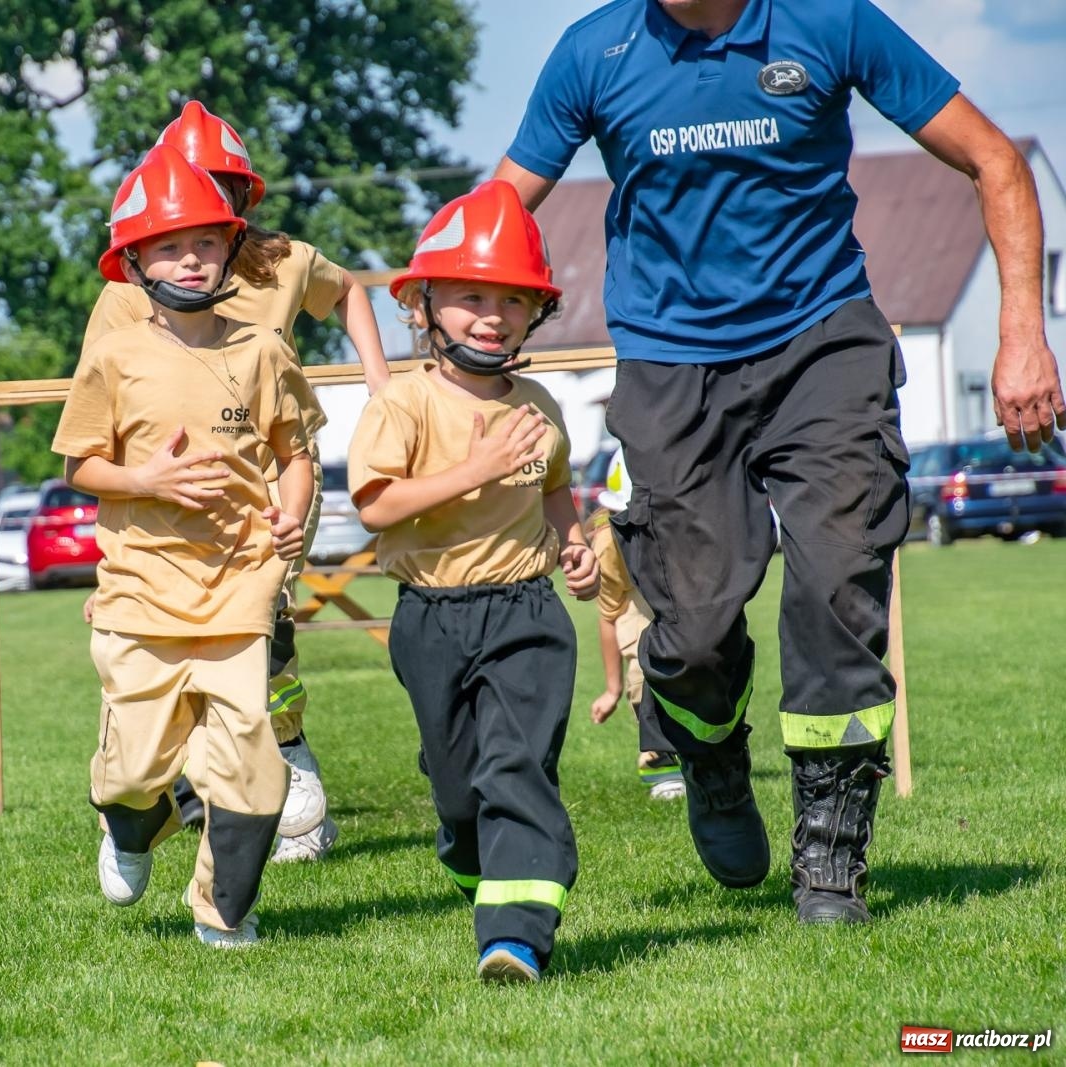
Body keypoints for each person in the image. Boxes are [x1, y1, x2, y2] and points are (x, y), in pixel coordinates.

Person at [493, 0, 1066, 924]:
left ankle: (831, 856)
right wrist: (452, 347)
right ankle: (711, 754)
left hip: (821, 343)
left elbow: (995, 158)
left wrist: (1022, 334)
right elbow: (497, 210)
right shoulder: (594, 51)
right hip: (670, 363)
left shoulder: (828, 20)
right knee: (693, 631)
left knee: (837, 584)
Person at [82, 101, 388, 863]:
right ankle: (165, 784)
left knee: (262, 621)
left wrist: (378, 380)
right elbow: (101, 413)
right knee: (168, 652)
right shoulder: (130, 288)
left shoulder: (284, 261)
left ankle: (285, 758)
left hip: (271, 482)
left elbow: (349, 291)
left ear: (241, 198)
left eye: (216, 185)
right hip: (166, 511)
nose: (197, 203)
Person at [53, 144, 319, 948]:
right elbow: (79, 465)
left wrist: (291, 515)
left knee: (251, 765)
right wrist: (148, 481)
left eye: (206, 242)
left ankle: (224, 910)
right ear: (134, 261)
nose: (192, 260)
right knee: (134, 769)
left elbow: (296, 453)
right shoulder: (115, 355)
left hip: (240, 586)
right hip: (141, 592)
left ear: (230, 248)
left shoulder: (262, 350)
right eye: (169, 246)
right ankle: (134, 824)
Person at [347, 179, 599, 983]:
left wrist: (574, 544)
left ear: (536, 313)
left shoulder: (540, 404)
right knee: (461, 791)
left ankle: (516, 934)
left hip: (526, 612)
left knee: (516, 767)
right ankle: (472, 854)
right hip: (429, 618)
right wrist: (475, 467)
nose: (493, 315)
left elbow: (553, 486)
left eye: (513, 300)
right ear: (422, 305)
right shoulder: (403, 405)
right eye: (471, 297)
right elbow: (377, 507)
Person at [586, 451, 684, 801]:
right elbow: (608, 614)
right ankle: (660, 763)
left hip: (684, 614)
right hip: (638, 622)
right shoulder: (609, 544)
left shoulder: (685, 531)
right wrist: (612, 689)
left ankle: (708, 758)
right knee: (646, 678)